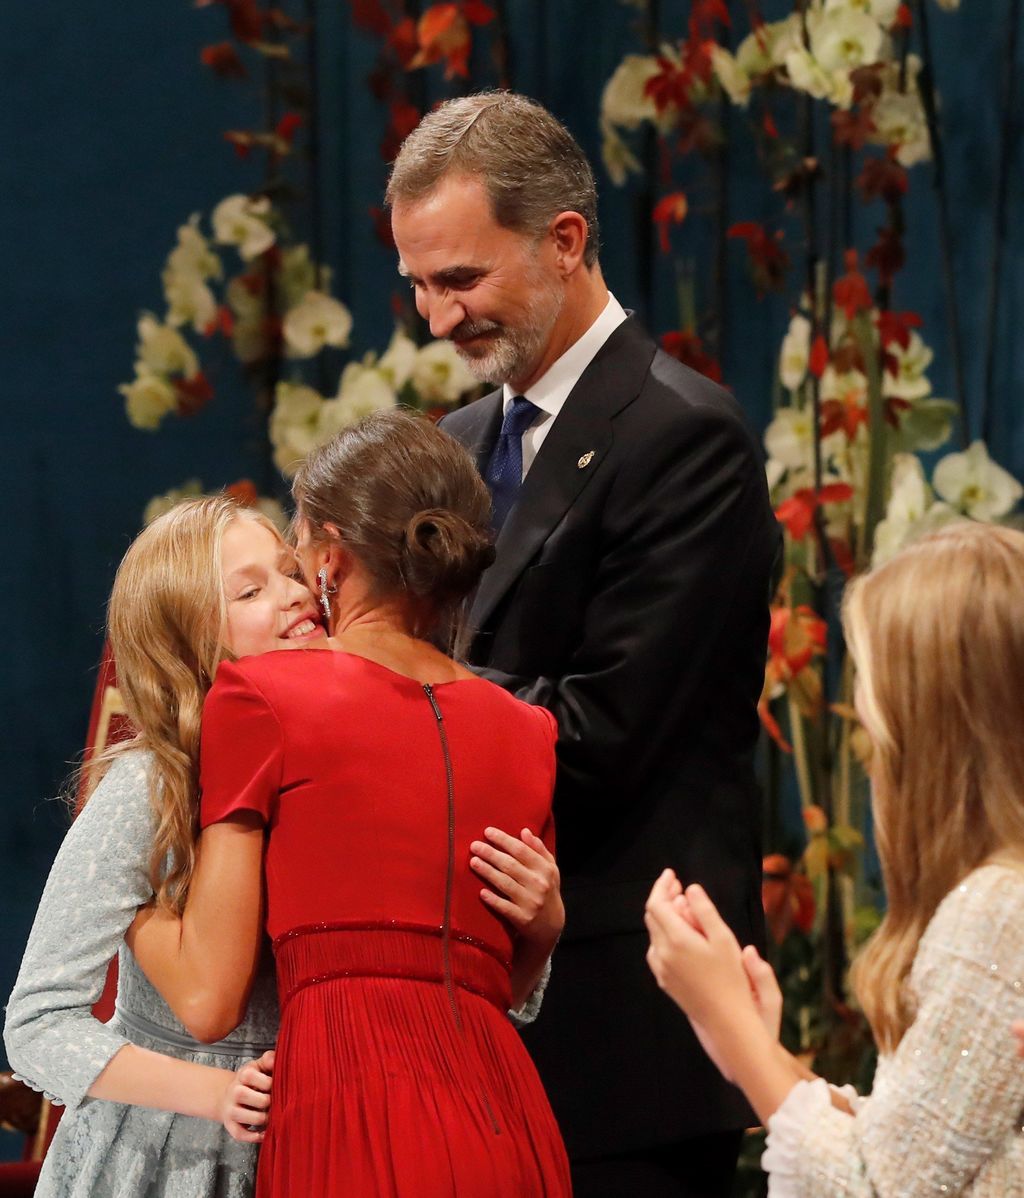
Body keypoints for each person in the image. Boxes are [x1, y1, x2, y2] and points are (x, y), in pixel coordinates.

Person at [387, 92, 780, 1195]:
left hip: (625, 1033)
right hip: (468, 1028)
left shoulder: (683, 436)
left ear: (565, 241)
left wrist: (385, 701)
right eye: (417, 285)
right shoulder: (456, 444)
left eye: (460, 281)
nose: (435, 319)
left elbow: (602, 737)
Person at [126, 410, 572, 1197]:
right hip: (511, 1117)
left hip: (351, 1103)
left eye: (296, 553)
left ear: (331, 557)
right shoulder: (529, 732)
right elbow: (497, 981)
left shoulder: (263, 695)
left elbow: (211, 995)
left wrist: (134, 907)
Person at [645, 522, 1024, 1196]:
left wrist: (736, 1034)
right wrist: (758, 1045)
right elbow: (919, 1148)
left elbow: (874, 1189)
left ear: (932, 729)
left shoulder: (996, 908)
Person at [4, 497, 295, 1197]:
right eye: (252, 590)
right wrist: (212, 1092)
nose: (292, 596)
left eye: (291, 572)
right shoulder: (150, 785)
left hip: (312, 1141)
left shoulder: (340, 762)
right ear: (190, 644)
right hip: (165, 1158)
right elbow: (38, 1020)